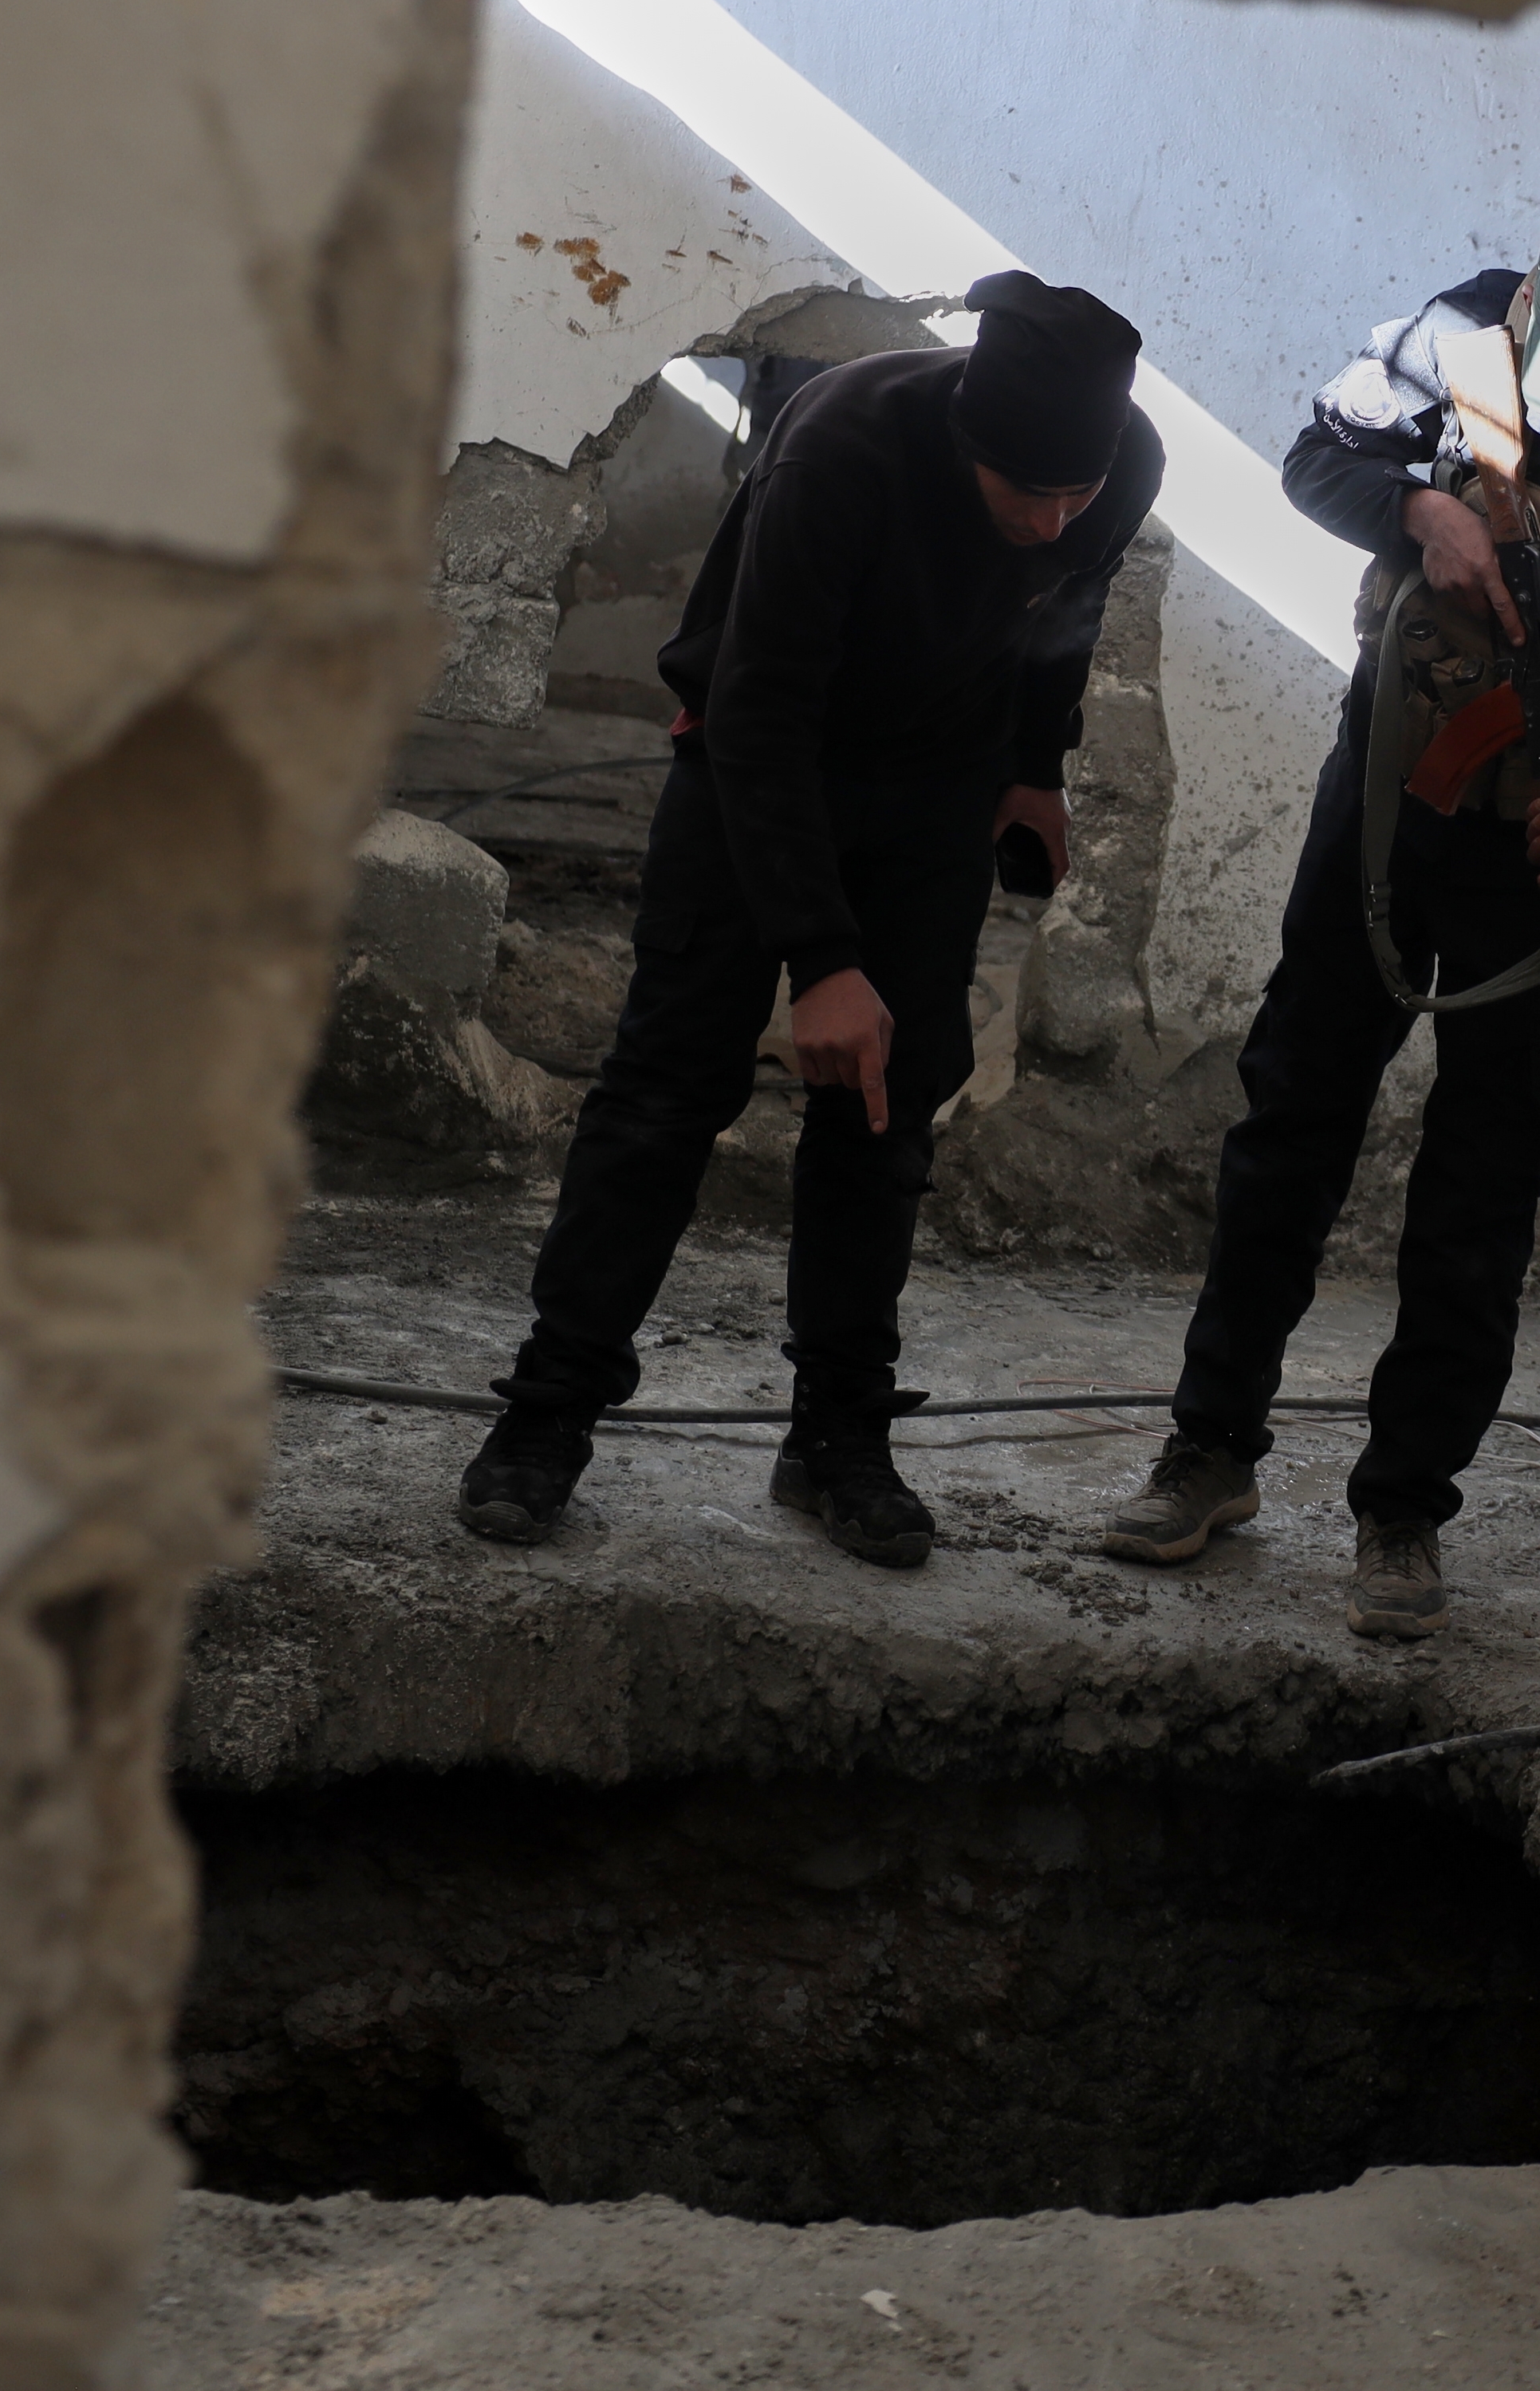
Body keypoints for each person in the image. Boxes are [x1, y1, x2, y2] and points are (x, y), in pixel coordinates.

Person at [1097, 196, 1540, 1634]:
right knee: (1291, 1120)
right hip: (1383, 802)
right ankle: (1209, 1449)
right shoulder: (1449, 337)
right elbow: (1316, 456)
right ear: (1531, 305)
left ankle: (1404, 1510)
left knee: (1484, 1187)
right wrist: (1416, 508)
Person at [456, 274, 1167, 1563]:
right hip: (754, 759)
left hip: (936, 787)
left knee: (887, 1113)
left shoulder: (1118, 467)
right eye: (1027, 491)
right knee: (665, 1090)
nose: (1056, 519)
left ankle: (839, 1433)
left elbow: (1065, 616)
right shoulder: (842, 447)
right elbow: (759, 708)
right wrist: (825, 961)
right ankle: (547, 1411)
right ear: (967, 437)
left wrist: (1033, 766)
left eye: (1081, 492)